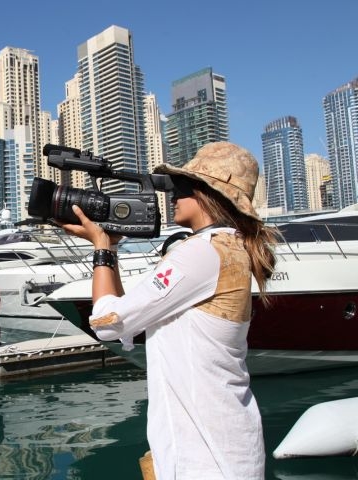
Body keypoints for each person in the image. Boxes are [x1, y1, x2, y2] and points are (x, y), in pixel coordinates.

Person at [60, 142, 279, 479]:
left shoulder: (202, 252)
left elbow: (107, 322)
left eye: (181, 186)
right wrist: (109, 249)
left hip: (206, 460)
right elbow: (126, 319)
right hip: (222, 450)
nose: (172, 195)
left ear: (208, 194)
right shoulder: (227, 248)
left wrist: (101, 247)